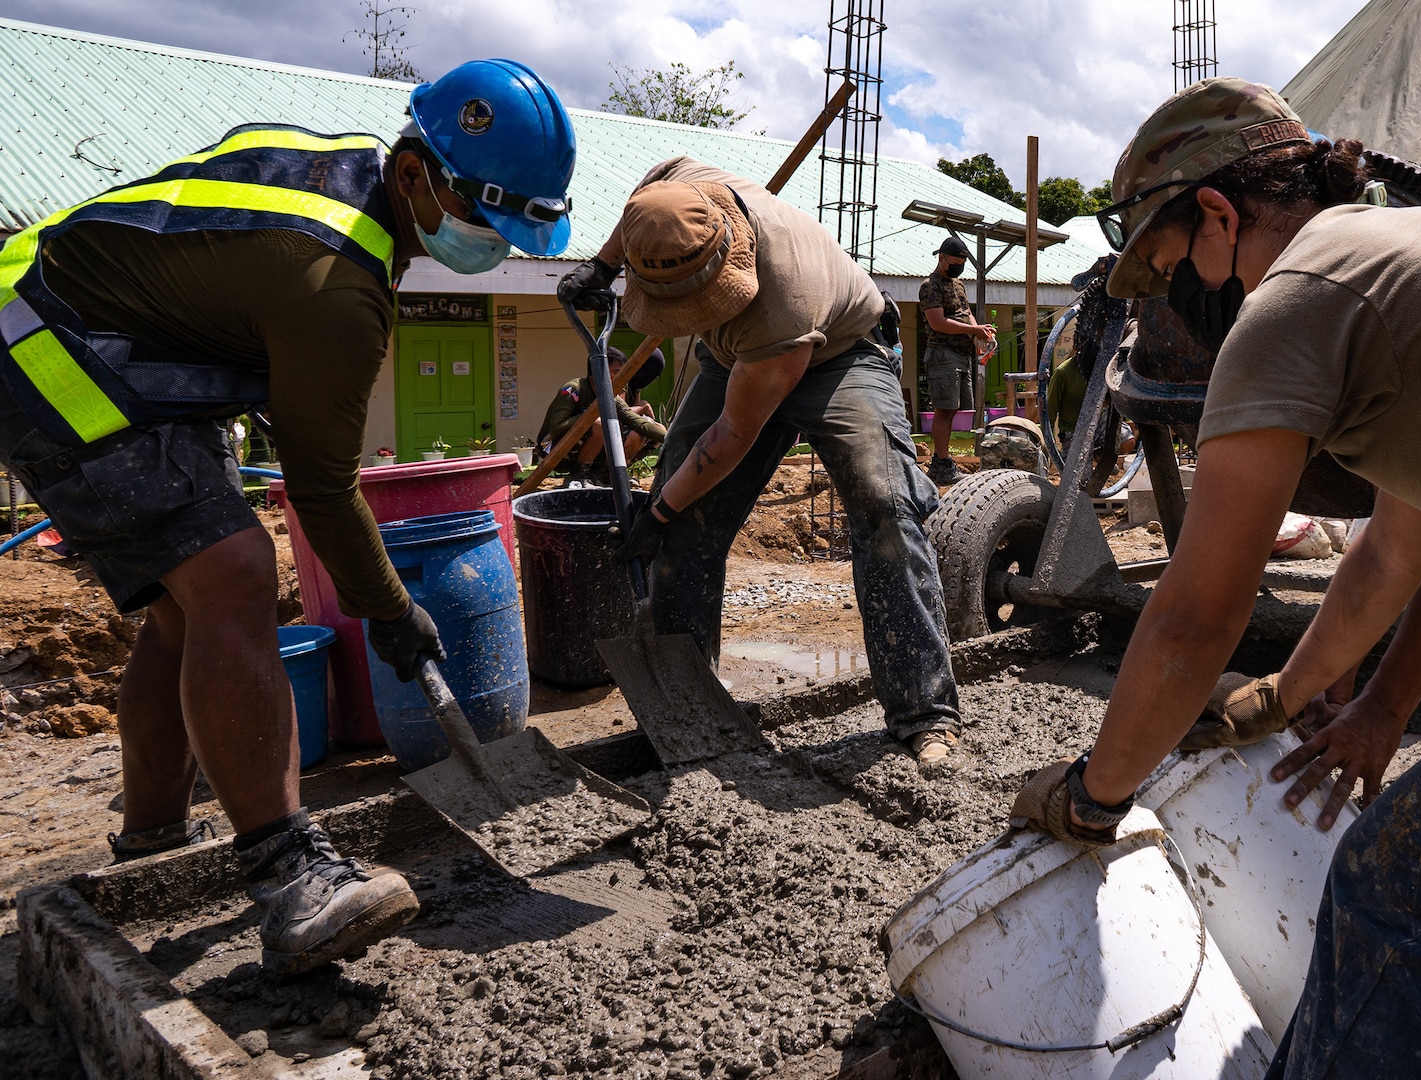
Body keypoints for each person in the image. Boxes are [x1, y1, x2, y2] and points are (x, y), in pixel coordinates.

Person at [1010, 77, 1421, 1076]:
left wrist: (1091, 794)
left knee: (1406, 877)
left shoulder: (1294, 300)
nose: (1179, 297)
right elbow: (1420, 549)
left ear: (1216, 213)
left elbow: (1193, 617)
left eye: (1170, 269)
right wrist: (1311, 699)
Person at [0, 59, 577, 975]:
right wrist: (391, 612)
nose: (490, 243)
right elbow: (320, 487)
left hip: (110, 330)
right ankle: (288, 877)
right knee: (230, 570)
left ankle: (150, 848)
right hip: (50, 347)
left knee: (183, 602)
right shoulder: (333, 287)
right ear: (416, 172)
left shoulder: (344, 170)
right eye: (481, 218)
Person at [557, 158, 962, 763]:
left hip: (839, 354)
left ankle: (924, 713)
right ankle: (683, 713)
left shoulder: (784, 294)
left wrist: (660, 511)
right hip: (738, 358)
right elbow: (636, 209)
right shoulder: (673, 187)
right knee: (684, 517)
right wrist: (602, 265)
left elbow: (731, 436)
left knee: (883, 504)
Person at [918, 236, 995, 485]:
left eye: (962, 262)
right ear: (942, 257)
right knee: (944, 410)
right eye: (955, 261)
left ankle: (941, 464)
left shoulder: (958, 285)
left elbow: (966, 313)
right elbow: (937, 322)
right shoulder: (930, 286)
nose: (959, 265)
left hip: (961, 355)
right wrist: (973, 331)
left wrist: (980, 335)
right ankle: (942, 463)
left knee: (953, 409)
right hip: (942, 354)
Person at [540, 345, 666, 483]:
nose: (622, 378)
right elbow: (556, 427)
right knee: (600, 423)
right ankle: (579, 475)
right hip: (552, 449)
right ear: (598, 371)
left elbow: (636, 422)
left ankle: (604, 474)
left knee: (643, 431)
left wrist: (670, 437)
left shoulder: (611, 396)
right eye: (616, 372)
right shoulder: (573, 389)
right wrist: (591, 414)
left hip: (585, 447)